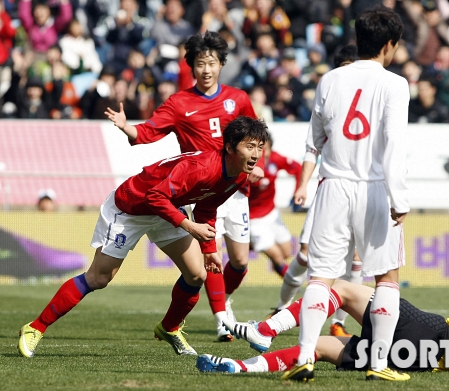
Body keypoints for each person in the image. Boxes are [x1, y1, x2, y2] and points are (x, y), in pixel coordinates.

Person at [17, 116, 269, 359]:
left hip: (167, 209)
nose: (256, 154)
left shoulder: (238, 174)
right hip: (131, 206)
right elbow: (154, 197)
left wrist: (209, 247)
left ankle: (169, 328)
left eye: (259, 147)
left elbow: (206, 207)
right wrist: (191, 228)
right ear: (229, 147)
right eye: (249, 147)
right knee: (99, 277)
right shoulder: (201, 168)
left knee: (197, 274)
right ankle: (35, 327)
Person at [104, 31, 265, 342]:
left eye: (212, 63)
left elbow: (257, 137)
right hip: (201, 186)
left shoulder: (239, 99)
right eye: (200, 64)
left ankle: (223, 302)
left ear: (222, 65)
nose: (206, 70)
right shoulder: (179, 102)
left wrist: (256, 165)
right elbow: (148, 132)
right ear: (192, 66)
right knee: (210, 251)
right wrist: (128, 128)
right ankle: (222, 319)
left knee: (241, 262)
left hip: (234, 186)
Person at [284, 5, 410, 382]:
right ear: (389, 44)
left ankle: (305, 356)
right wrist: (399, 198)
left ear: (358, 39)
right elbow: (393, 146)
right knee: (386, 278)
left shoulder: (329, 80)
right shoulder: (394, 84)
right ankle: (379, 363)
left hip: (333, 187)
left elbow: (315, 141)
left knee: (320, 277)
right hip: (374, 190)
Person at [197, 270, 449, 374]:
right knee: (321, 349)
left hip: (430, 331)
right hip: (424, 361)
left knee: (340, 288)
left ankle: (265, 329)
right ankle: (237, 368)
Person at [266, 43, 362, 339]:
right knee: (306, 257)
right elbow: (312, 147)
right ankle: (283, 307)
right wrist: (304, 185)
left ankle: (339, 323)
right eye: (345, 69)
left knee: (356, 260)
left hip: (361, 193)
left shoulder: (370, 100)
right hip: (329, 191)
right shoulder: (329, 100)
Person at [248, 135, 301, 278]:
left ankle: (249, 245)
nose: (261, 153)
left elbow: (298, 169)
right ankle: (293, 287)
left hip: (272, 213)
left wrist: (297, 192)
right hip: (252, 220)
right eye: (257, 149)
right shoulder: (244, 166)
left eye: (265, 149)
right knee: (277, 256)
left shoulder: (276, 160)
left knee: (287, 252)